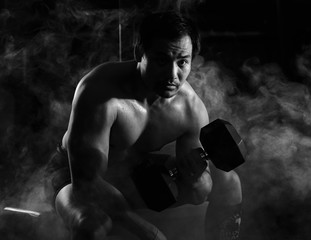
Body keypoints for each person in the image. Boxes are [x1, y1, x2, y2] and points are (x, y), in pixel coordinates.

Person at [50, 11, 242, 240]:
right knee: (91, 225)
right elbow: (86, 183)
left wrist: (197, 173)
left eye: (182, 62)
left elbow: (199, 188)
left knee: (226, 182)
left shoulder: (191, 108)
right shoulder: (99, 92)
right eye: (162, 60)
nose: (173, 74)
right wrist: (148, 232)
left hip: (135, 177)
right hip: (74, 179)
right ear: (140, 53)